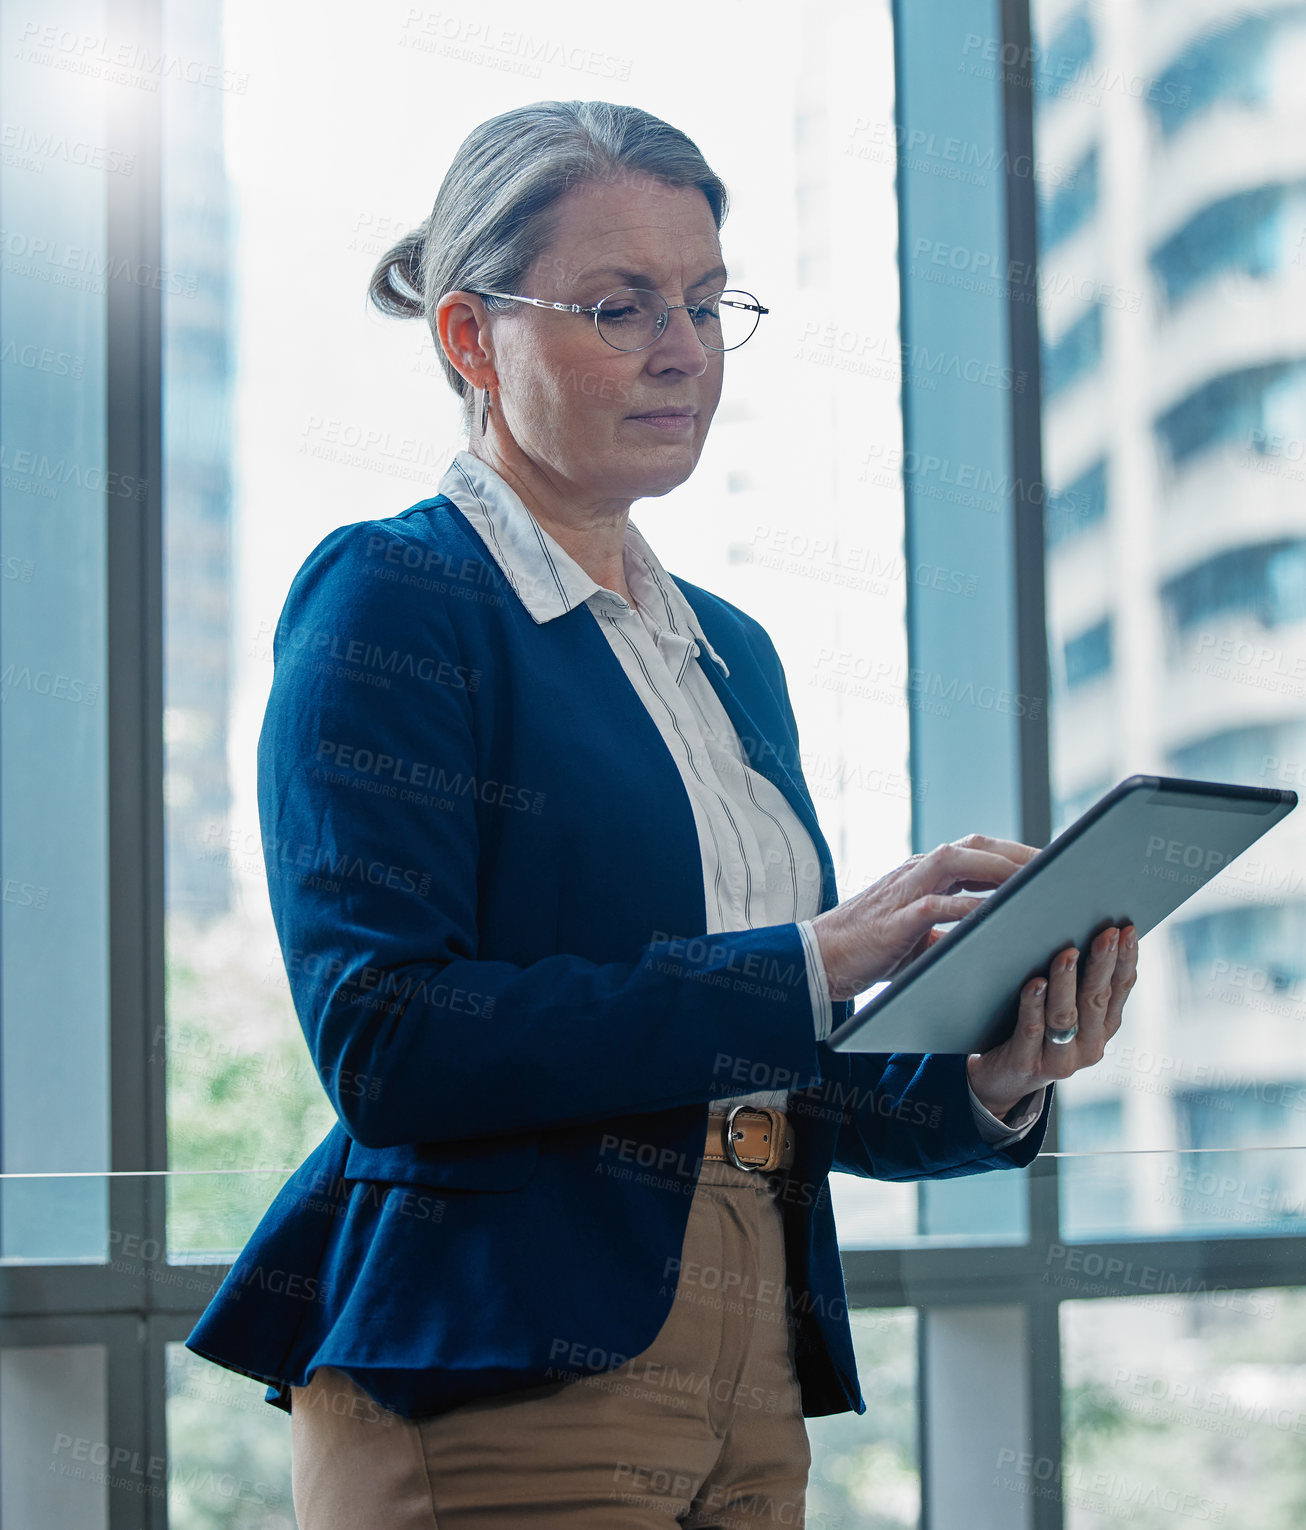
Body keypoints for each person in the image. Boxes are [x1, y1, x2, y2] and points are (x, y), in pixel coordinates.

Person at [185, 100, 1138, 1528]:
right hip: (502, 1360)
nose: (681, 348)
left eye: (703, 301)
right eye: (619, 306)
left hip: (752, 1339)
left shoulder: (724, 650)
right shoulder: (399, 597)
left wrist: (991, 1075)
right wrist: (814, 958)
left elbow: (753, 1058)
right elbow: (390, 1042)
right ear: (469, 338)